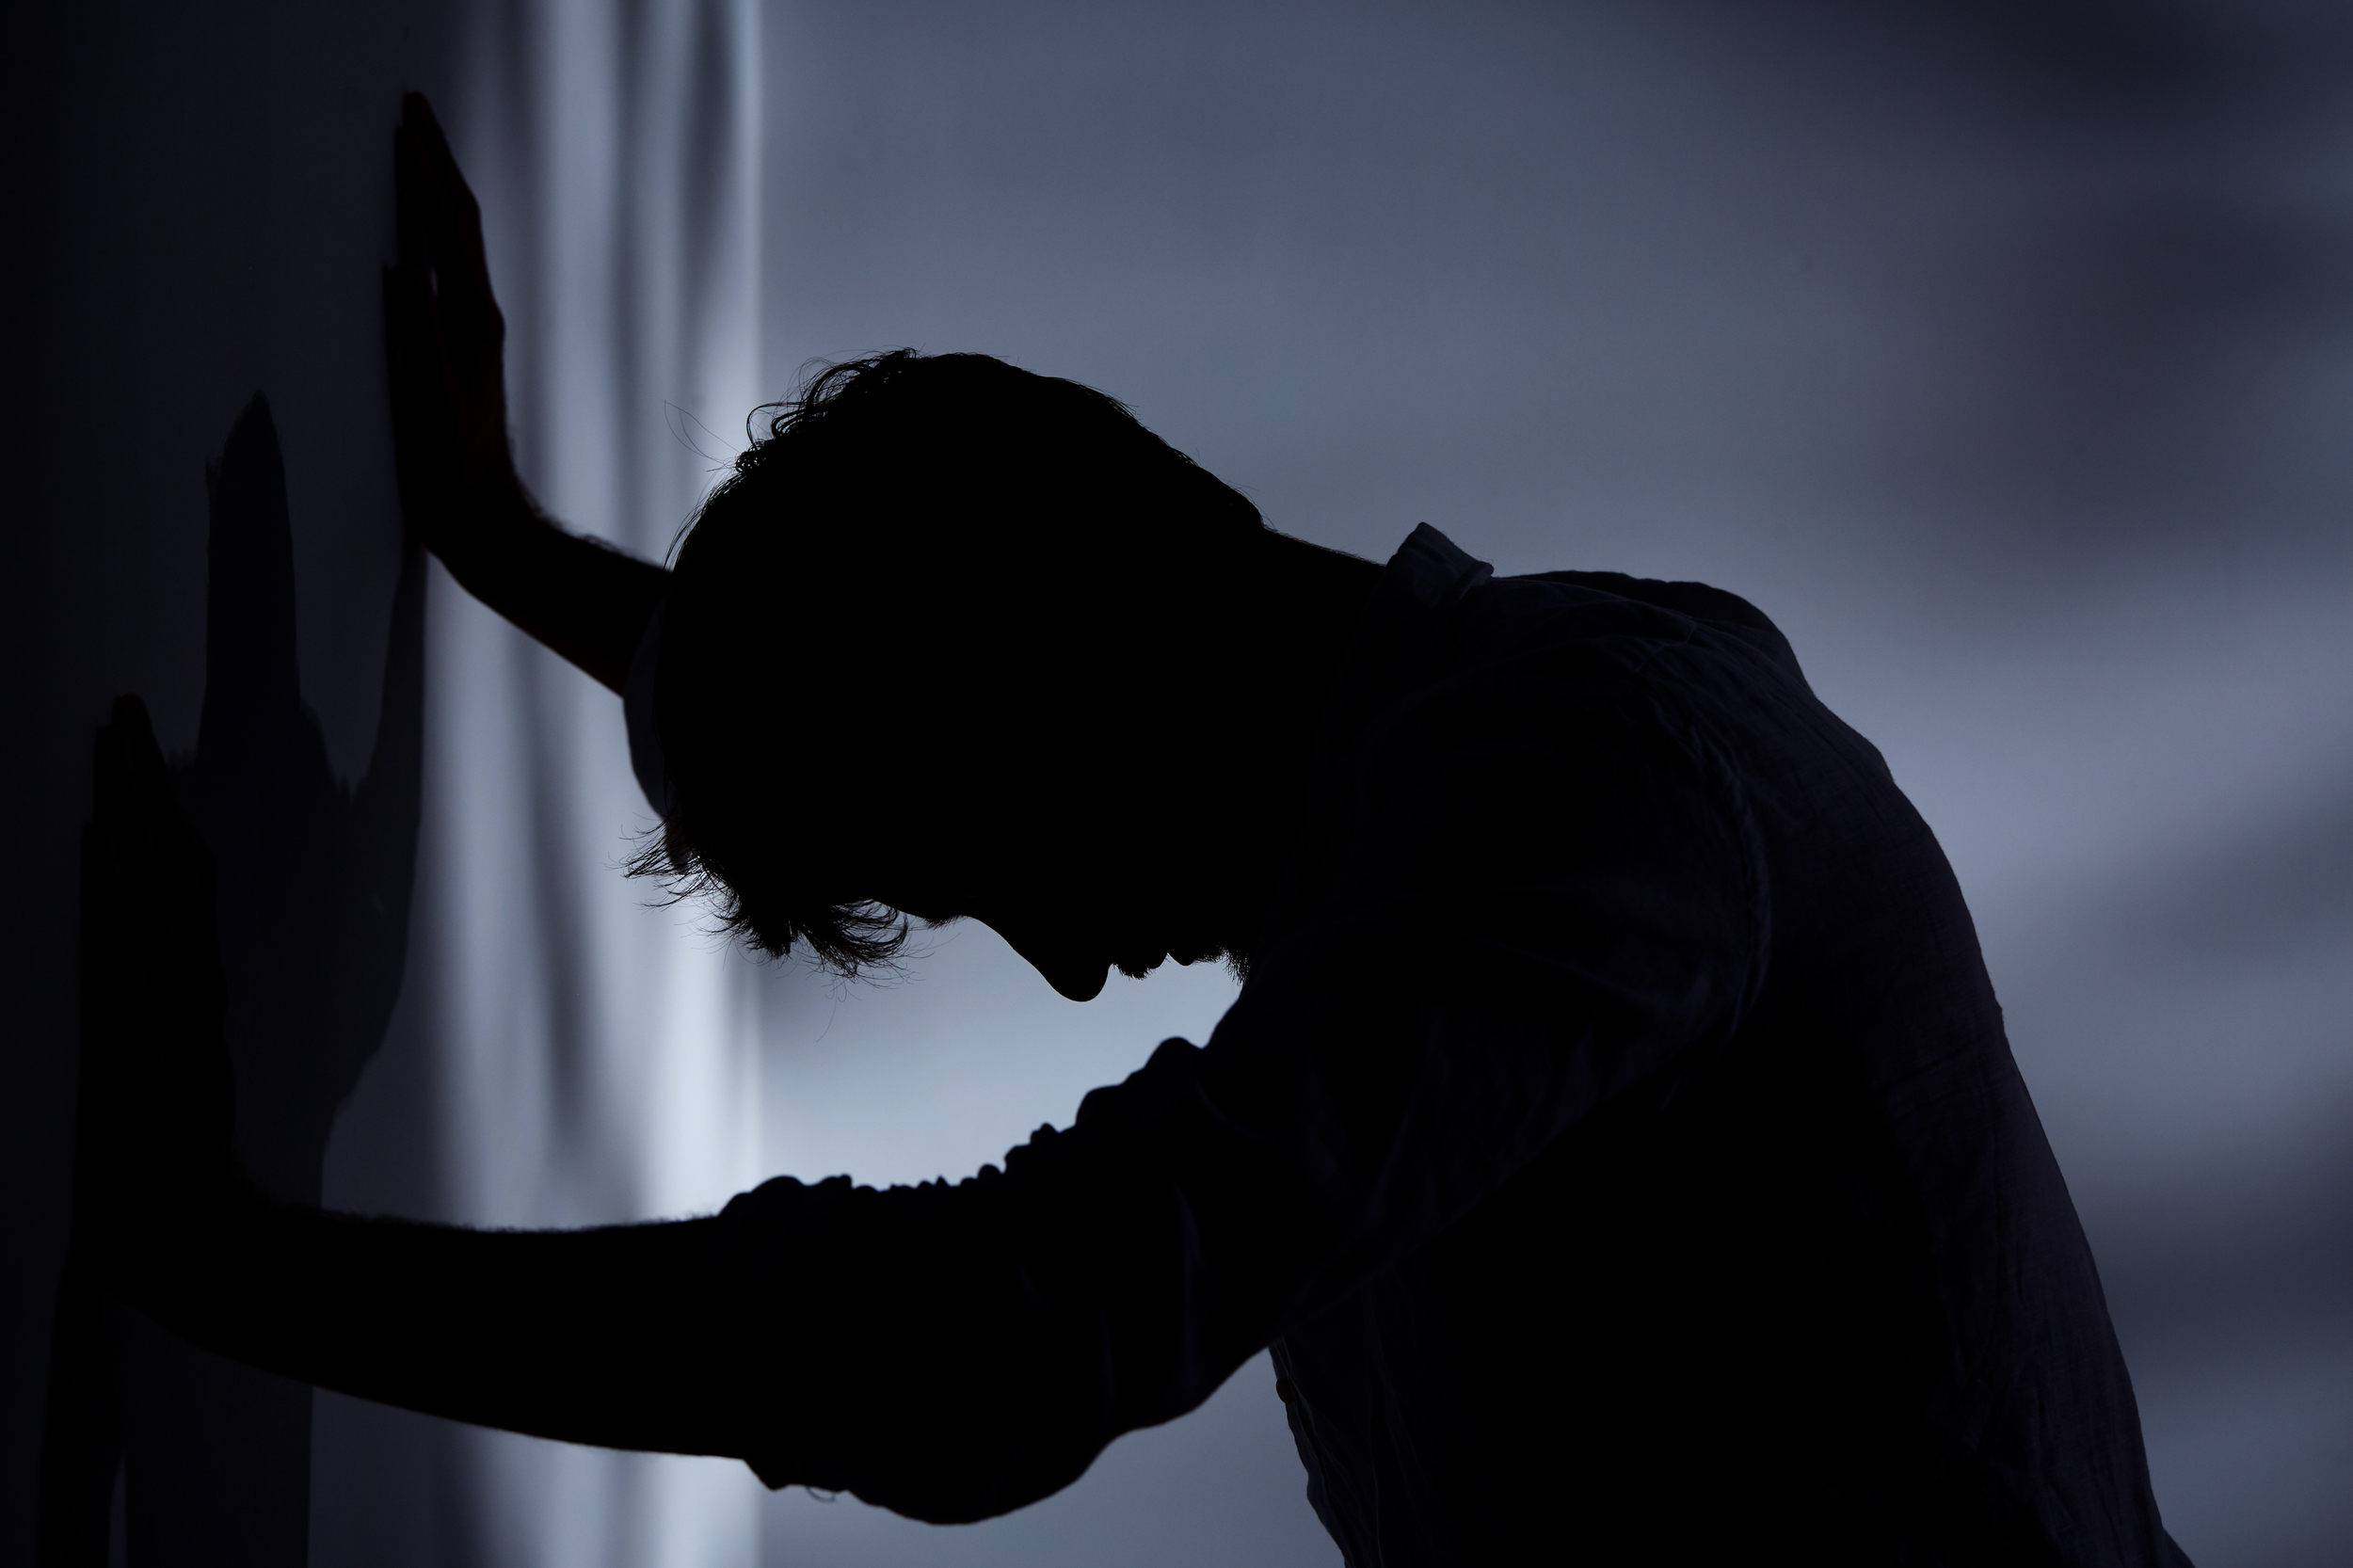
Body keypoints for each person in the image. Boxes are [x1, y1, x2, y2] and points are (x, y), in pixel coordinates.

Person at [76, 92, 2194, 1564]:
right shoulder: (1438, 836)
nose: (1077, 965)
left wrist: (229, 1260)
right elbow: (954, 670)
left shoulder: (1595, 785)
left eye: (985, 858)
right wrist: (513, 551)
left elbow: (1014, 1322)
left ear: (1079, 629)